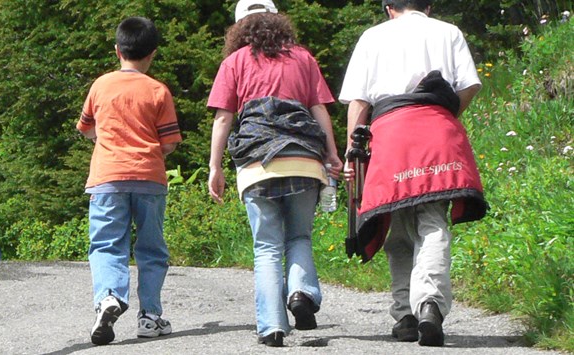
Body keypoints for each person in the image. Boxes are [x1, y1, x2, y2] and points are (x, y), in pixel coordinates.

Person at [338, 0, 488, 347]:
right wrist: (447, 112)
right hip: (436, 131)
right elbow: (470, 85)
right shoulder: (449, 32)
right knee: (433, 218)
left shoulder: (372, 37)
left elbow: (359, 103)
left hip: (390, 133)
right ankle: (430, 307)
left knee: (398, 228)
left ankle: (405, 315)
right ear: (430, 6)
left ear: (389, 7)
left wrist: (352, 155)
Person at [205, 0, 343, 347]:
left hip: (256, 163)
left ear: (239, 27)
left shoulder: (234, 62)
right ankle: (300, 293)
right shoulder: (303, 58)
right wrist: (332, 154)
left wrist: (215, 166)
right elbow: (319, 110)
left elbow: (223, 118)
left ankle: (271, 327)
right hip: (304, 159)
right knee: (299, 237)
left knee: (266, 246)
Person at [77, 16, 181, 346]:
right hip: (150, 178)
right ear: (151, 54)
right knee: (150, 248)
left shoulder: (101, 85)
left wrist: (106, 142)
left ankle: (108, 297)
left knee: (107, 244)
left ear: (117, 50)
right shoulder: (158, 91)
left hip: (107, 178)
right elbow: (169, 143)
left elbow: (86, 128)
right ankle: (150, 317)